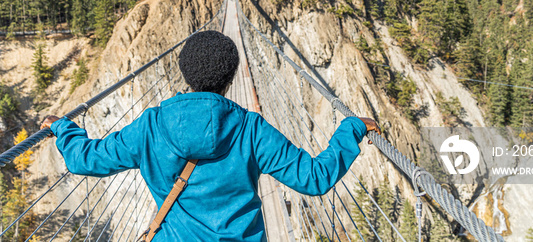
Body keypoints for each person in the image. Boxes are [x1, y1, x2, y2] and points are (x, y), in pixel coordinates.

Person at [42, 30, 378, 241]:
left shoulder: (151, 126)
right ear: (231, 79)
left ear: (184, 73)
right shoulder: (251, 128)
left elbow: (84, 159)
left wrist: (63, 128)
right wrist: (351, 129)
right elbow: (314, 179)